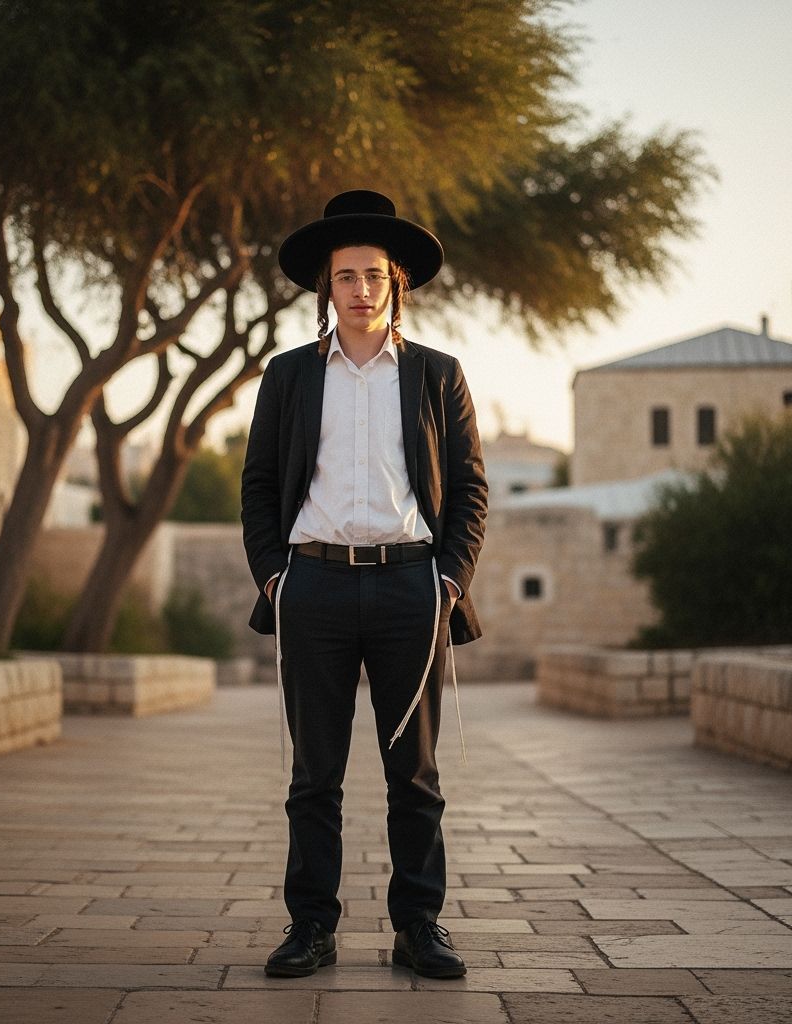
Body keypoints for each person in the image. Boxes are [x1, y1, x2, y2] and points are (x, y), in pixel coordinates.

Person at [241, 189, 488, 979]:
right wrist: (276, 579)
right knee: (314, 775)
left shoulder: (436, 375)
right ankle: (311, 926)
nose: (360, 289)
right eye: (345, 276)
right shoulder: (286, 377)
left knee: (413, 773)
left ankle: (418, 926)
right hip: (310, 587)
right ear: (327, 288)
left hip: (409, 589)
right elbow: (258, 485)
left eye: (374, 274)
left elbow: (471, 489)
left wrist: (448, 581)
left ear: (396, 284)